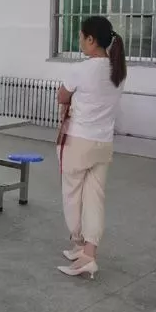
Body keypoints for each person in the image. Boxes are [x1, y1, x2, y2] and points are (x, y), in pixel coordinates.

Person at [56, 16, 126, 279]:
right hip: (103, 143)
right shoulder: (118, 71)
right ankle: (88, 254)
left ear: (91, 39)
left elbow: (62, 96)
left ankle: (78, 242)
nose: (79, 41)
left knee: (72, 195)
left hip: (78, 141)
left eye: (81, 36)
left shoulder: (82, 69)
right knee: (95, 197)